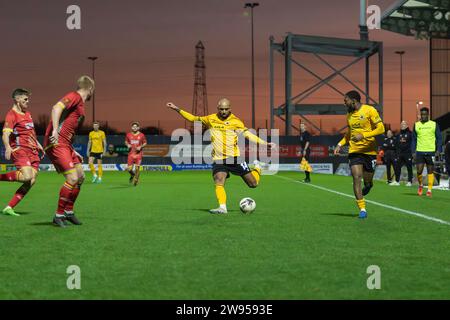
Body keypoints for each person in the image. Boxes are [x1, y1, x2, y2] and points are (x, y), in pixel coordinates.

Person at [167, 98, 276, 214]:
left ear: (230, 108)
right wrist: (177, 109)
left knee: (253, 184)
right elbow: (193, 118)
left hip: (234, 157)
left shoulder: (236, 121)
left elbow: (248, 134)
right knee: (219, 180)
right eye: (221, 109)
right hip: (218, 159)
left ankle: (257, 168)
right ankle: (222, 207)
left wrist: (264, 143)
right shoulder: (210, 119)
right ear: (218, 108)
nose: (224, 111)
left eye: (226, 109)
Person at [44, 75, 95, 227]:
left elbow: (68, 127)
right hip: (57, 142)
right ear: (90, 89)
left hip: (66, 145)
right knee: (72, 178)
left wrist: (73, 149)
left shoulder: (80, 105)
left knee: (80, 177)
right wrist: (54, 131)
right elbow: (56, 108)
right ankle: (58, 215)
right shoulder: (75, 96)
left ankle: (68, 212)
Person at [333, 90, 385, 219]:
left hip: (370, 152)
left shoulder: (369, 110)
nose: (345, 104)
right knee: (356, 177)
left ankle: (368, 185)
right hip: (355, 152)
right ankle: (362, 209)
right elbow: (349, 134)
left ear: (354, 100)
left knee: (367, 182)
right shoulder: (349, 115)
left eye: (346, 101)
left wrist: (363, 135)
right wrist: (339, 144)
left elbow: (381, 128)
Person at [1, 88, 44, 216]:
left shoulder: (28, 113)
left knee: (31, 181)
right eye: (25, 99)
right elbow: (5, 134)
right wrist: (8, 147)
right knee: (27, 176)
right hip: (20, 149)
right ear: (17, 99)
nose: (28, 101)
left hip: (33, 151)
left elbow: (30, 133)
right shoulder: (11, 115)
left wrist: (38, 144)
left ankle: (9, 207)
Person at [411, 107, 442, 197]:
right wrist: (413, 151)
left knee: (430, 171)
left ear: (428, 115)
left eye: (425, 114)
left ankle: (429, 190)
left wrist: (438, 150)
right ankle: (420, 185)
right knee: (419, 171)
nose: (423, 116)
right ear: (420, 115)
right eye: (422, 114)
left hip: (431, 151)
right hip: (420, 151)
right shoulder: (416, 125)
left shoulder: (434, 124)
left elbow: (439, 138)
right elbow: (413, 139)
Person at [394, 121, 413, 186]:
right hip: (400, 153)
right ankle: (397, 181)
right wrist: (397, 153)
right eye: (401, 124)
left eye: (404, 124)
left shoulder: (410, 133)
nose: (402, 125)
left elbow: (412, 143)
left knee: (409, 167)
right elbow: (396, 144)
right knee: (397, 167)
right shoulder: (398, 134)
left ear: (407, 126)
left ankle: (409, 181)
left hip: (407, 153)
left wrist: (412, 152)